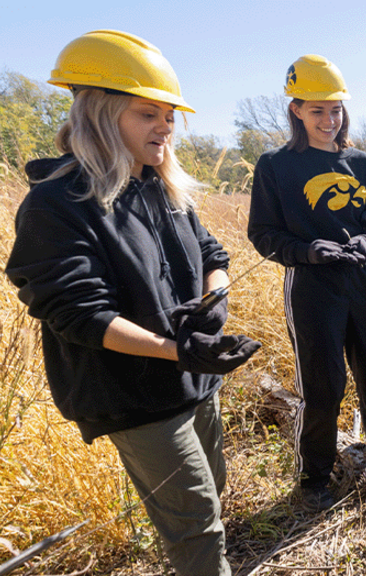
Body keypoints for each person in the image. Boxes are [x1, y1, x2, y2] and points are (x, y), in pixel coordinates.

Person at [4, 30, 261, 576]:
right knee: (193, 523)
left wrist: (214, 299)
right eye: (148, 114)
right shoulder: (58, 203)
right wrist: (178, 350)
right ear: (101, 114)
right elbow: (79, 313)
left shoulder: (162, 187)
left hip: (195, 380)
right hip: (136, 396)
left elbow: (214, 253)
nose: (165, 126)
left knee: (212, 496)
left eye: (169, 115)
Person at [247, 55, 366, 513]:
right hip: (311, 288)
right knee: (323, 387)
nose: (329, 120)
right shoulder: (276, 166)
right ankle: (314, 476)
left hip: (364, 283)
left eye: (336, 110)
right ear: (296, 110)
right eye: (317, 110)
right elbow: (262, 234)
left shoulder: (361, 163)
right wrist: (308, 251)